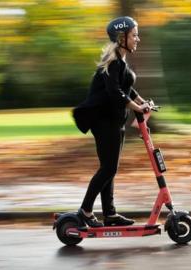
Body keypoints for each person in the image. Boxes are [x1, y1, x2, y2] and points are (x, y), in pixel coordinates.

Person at [72, 16, 151, 227]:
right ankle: (85, 211)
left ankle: (110, 214)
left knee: (110, 168)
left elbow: (127, 88)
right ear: (121, 37)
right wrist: (137, 108)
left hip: (114, 121)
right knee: (108, 168)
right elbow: (115, 93)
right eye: (134, 35)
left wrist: (144, 103)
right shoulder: (114, 62)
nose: (138, 39)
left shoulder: (120, 61)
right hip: (104, 121)